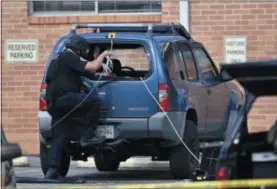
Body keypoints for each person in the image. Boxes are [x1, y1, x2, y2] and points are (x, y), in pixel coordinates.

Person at [44, 34, 113, 179]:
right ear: (79, 49)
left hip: (53, 103)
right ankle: (87, 136)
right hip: (64, 98)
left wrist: (108, 77)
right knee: (94, 101)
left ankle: (52, 170)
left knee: (59, 134)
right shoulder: (69, 57)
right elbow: (93, 66)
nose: (85, 54)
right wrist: (104, 54)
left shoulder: (59, 59)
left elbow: (90, 75)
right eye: (85, 51)